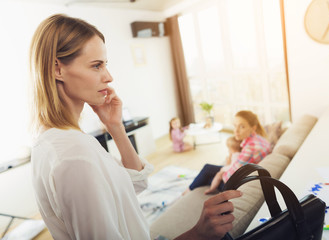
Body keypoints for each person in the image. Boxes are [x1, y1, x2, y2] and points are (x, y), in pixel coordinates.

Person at [29, 14, 242, 240]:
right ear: (57, 69)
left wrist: (115, 127)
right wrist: (197, 234)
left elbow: (134, 187)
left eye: (105, 65)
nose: (109, 77)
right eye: (96, 66)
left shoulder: (61, 141)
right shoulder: (73, 154)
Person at [186, 110, 271, 195]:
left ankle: (187, 192)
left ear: (253, 128)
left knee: (207, 174)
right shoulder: (260, 139)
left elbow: (228, 178)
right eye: (235, 126)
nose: (236, 131)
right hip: (245, 174)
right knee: (207, 168)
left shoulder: (250, 148)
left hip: (233, 184)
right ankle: (189, 190)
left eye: (242, 127)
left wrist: (220, 174)